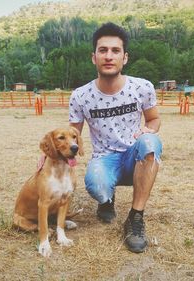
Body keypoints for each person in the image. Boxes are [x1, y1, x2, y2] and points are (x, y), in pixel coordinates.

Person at [69, 22, 163, 253]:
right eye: (103, 50)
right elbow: (73, 135)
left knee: (150, 143)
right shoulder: (80, 96)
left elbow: (154, 119)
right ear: (94, 57)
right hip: (104, 158)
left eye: (115, 51)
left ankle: (135, 218)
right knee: (97, 185)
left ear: (125, 57)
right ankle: (106, 199)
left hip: (134, 154)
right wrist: (49, 154)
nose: (109, 56)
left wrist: (148, 130)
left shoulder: (142, 87)